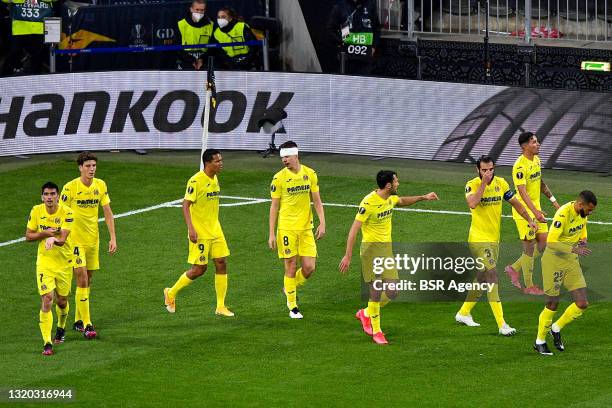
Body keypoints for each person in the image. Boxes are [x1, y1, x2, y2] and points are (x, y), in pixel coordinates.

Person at [339, 170, 438, 344]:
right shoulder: (368, 202)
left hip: (386, 251)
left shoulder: (390, 199)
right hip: (370, 252)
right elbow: (354, 230)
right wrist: (347, 256)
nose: (398, 184)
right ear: (388, 185)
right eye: (396, 181)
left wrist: (423, 197)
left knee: (393, 291)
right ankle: (377, 331)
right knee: (376, 291)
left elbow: (402, 201)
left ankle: (366, 313)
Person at [455, 156, 537, 336]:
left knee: (483, 277)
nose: (488, 173)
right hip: (478, 239)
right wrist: (483, 183)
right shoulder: (472, 184)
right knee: (492, 275)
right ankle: (502, 325)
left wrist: (529, 219)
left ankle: (463, 313)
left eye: (490, 169)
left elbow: (517, 204)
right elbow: (473, 203)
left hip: (494, 239)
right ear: (477, 170)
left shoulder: (502, 184)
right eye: (484, 170)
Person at [164, 149, 234, 317]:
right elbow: (185, 205)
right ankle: (171, 292)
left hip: (215, 229)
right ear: (207, 163)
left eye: (221, 160)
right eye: (217, 161)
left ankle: (220, 306)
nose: (221, 163)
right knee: (199, 269)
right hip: (200, 232)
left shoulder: (215, 178)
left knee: (221, 262)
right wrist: (191, 228)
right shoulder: (195, 181)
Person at [60, 152, 117, 339]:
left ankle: (77, 320)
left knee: (88, 280)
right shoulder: (70, 188)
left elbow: (108, 213)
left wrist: (112, 237)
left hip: (93, 240)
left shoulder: (100, 185)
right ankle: (87, 324)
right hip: (74, 241)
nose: (92, 169)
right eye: (88, 166)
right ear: (80, 168)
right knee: (82, 278)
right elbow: (60, 213)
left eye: (94, 166)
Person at [533, 191, 597, 356]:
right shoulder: (563, 213)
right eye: (589, 210)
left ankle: (556, 328)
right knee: (552, 303)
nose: (590, 213)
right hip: (553, 262)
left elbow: (582, 227)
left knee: (582, 303)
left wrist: (583, 239)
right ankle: (539, 341)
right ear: (580, 204)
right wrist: (573, 248)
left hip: (570, 262)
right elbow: (552, 242)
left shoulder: (582, 214)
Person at [268, 141, 325, 319]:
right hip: (286, 228)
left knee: (309, 267)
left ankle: (289, 286)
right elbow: (274, 206)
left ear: (296, 155)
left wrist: (322, 222)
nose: (284, 160)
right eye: (282, 157)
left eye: (287, 156)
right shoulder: (279, 178)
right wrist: (271, 233)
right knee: (291, 265)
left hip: (306, 228)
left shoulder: (310, 174)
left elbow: (316, 200)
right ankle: (293, 306)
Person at [505, 132, 560, 295]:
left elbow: (541, 183)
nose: (538, 144)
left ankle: (514, 268)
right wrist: (534, 212)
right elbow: (522, 193)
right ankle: (529, 286)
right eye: (534, 142)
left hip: (536, 208)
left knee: (544, 243)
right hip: (523, 212)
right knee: (529, 248)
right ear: (524, 146)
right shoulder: (519, 166)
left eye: (537, 141)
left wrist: (554, 201)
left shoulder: (536, 160)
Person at [26, 182, 74, 355]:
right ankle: (47, 342)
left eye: (53, 194)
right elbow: (29, 236)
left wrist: (53, 239)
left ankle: (61, 327)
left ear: (58, 196)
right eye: (46, 194)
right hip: (45, 262)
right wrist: (46, 234)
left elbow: (62, 238)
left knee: (62, 300)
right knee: (47, 298)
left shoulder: (67, 212)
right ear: (42, 197)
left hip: (64, 263)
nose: (49, 197)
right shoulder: (36, 211)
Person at [1, 0, 55, 75]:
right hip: (20, 29)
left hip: (40, 29)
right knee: (13, 55)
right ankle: (4, 78)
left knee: (38, 58)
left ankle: (35, 81)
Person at [327, 0, 380, 75]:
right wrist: (340, 42)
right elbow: (330, 29)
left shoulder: (370, 5)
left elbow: (377, 29)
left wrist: (374, 47)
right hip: (347, 59)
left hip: (365, 59)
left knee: (362, 85)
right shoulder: (340, 6)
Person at [176, 0, 215, 71]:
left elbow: (212, 47)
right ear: (191, 9)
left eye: (202, 10)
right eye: (197, 10)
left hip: (204, 62)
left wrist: (202, 60)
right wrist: (191, 60)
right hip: (186, 62)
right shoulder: (181, 24)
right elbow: (177, 47)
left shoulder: (211, 25)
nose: (199, 12)